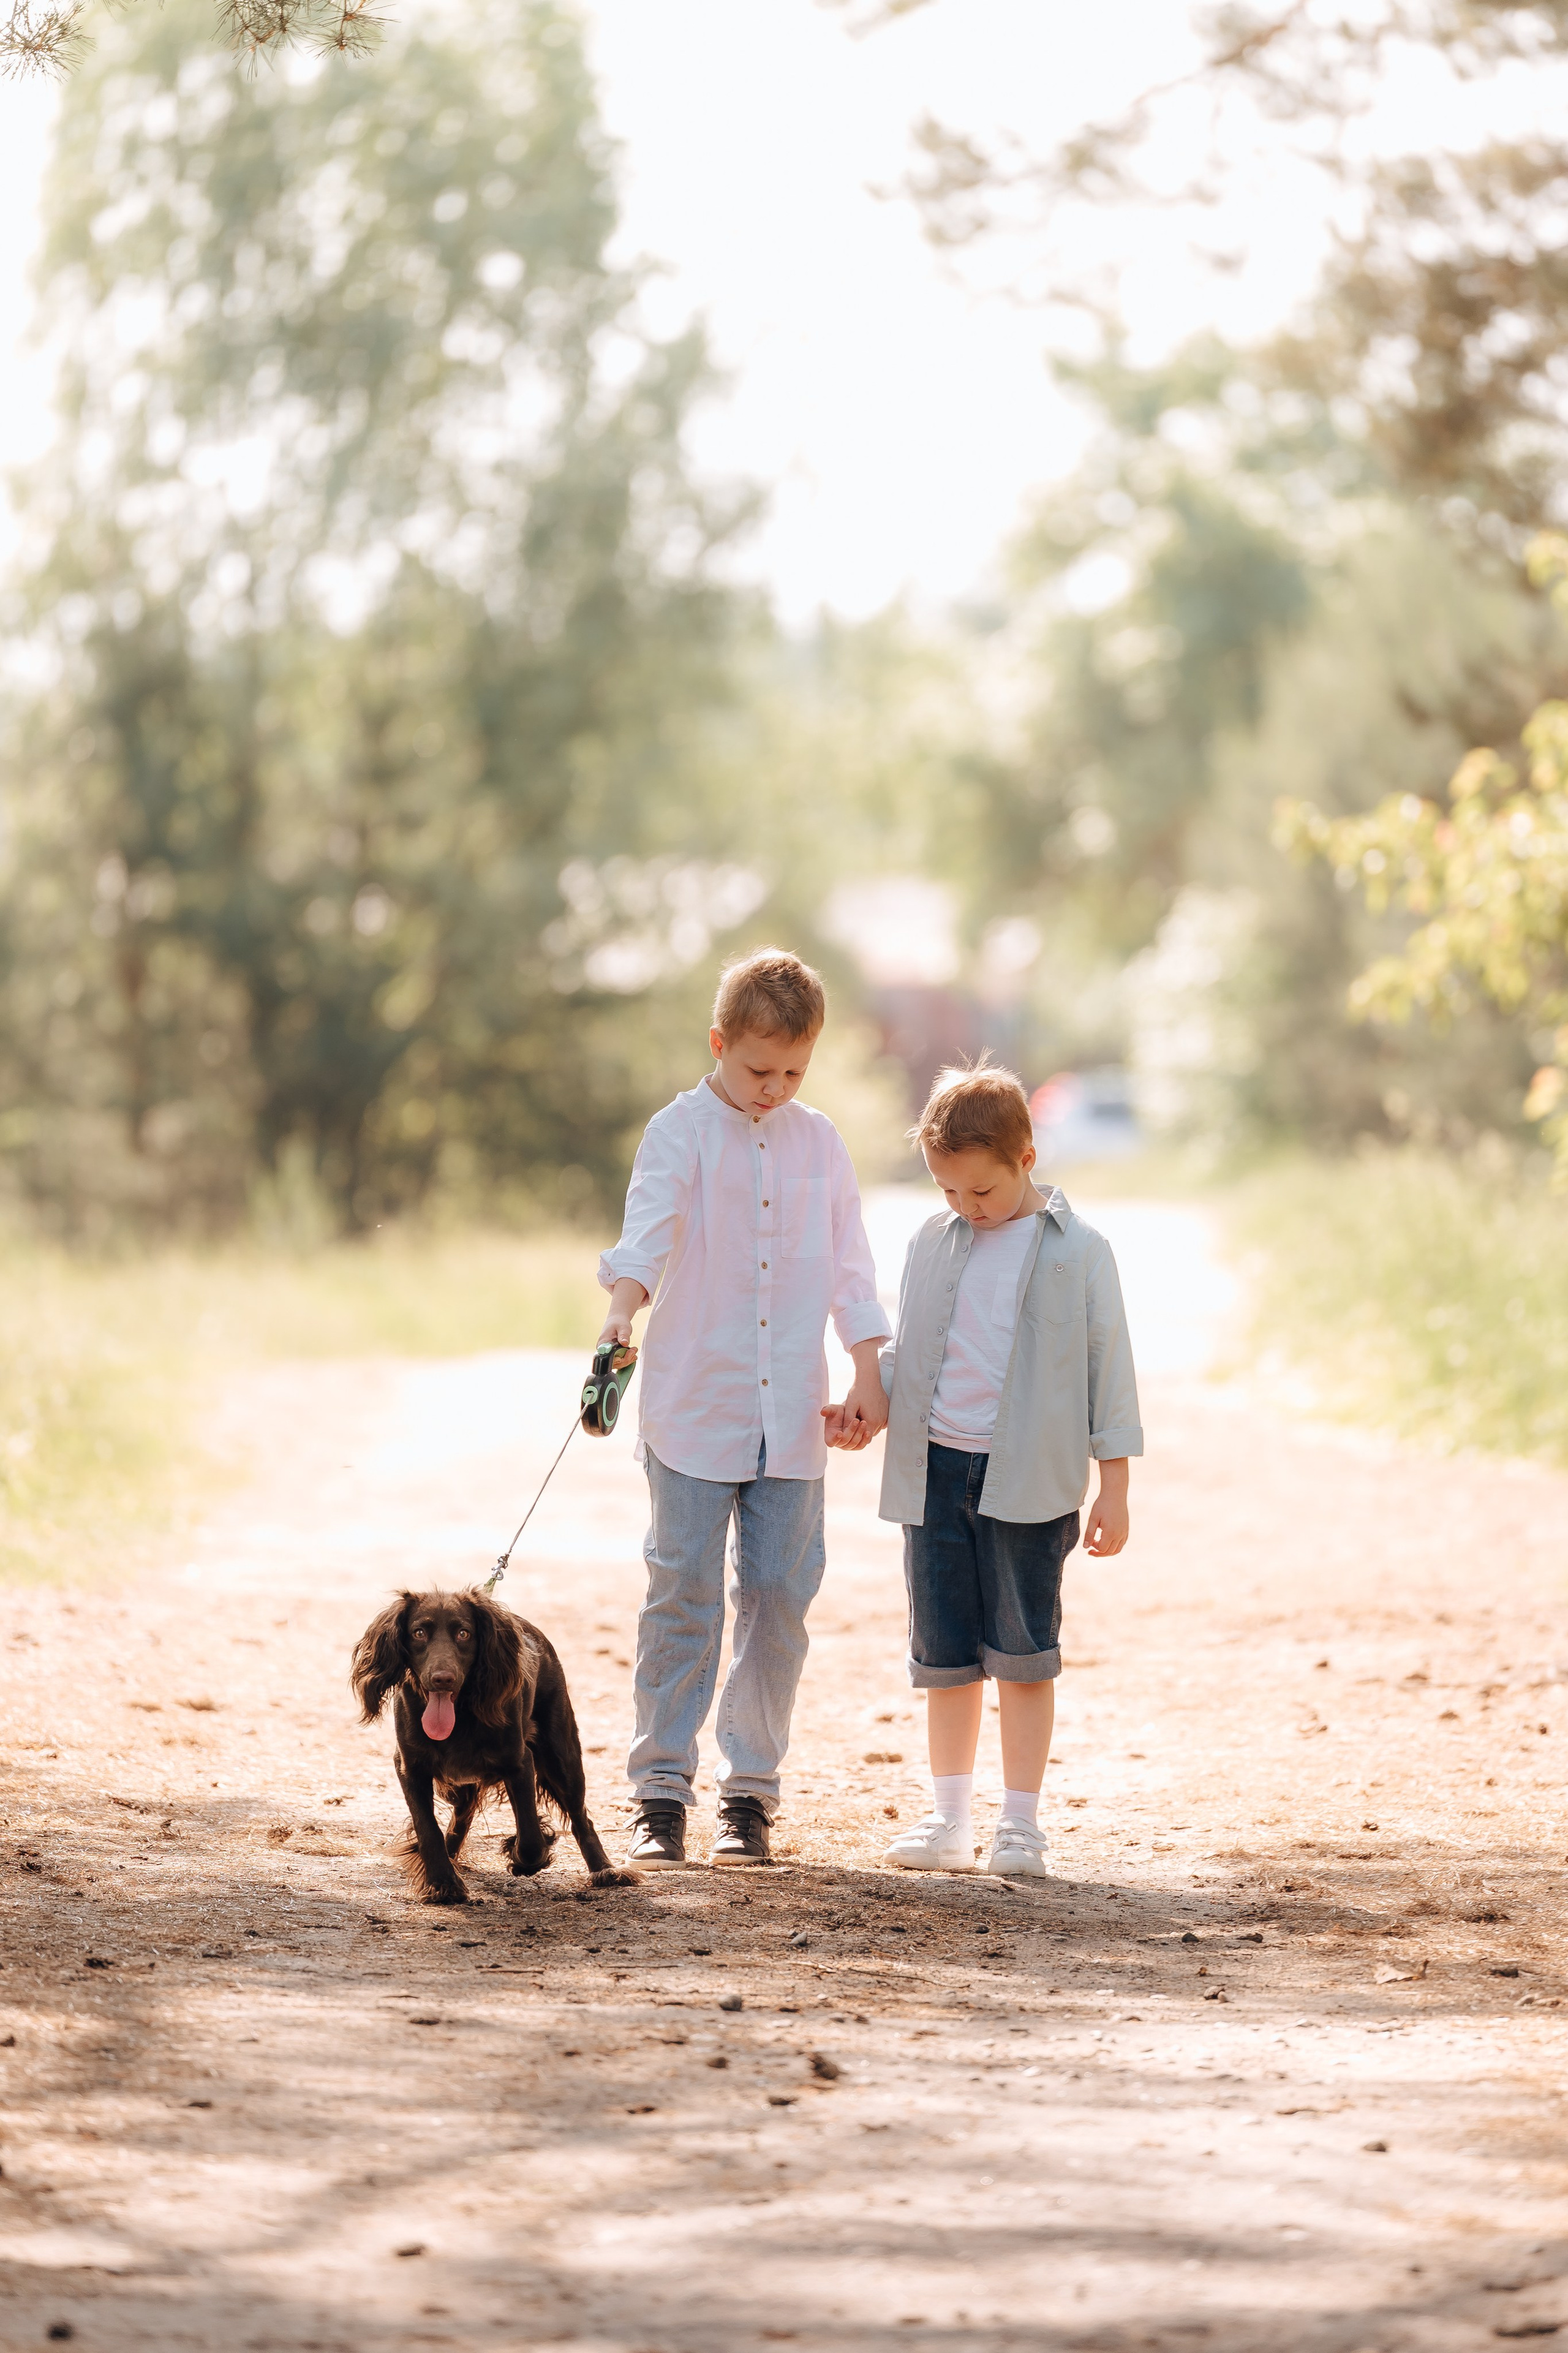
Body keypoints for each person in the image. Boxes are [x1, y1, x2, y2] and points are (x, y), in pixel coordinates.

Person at [598, 948, 891, 1870]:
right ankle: (659, 1791)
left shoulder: (821, 1143)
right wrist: (618, 1317)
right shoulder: (678, 1132)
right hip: (693, 1407)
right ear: (719, 1043)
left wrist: (867, 1370)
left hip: (793, 1419)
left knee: (778, 1597)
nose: (776, 1088)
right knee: (681, 1593)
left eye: (795, 1071)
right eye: (760, 1069)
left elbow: (851, 1265)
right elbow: (644, 1234)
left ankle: (750, 1795)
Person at [869, 1060, 1141, 1878]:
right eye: (949, 1191)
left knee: (1023, 1653)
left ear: (1027, 1157)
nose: (966, 1207)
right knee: (944, 1655)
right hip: (935, 1474)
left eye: (980, 1191)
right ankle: (949, 1816)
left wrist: (1115, 1485)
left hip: (1030, 1480)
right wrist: (865, 1402)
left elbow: (1109, 1369)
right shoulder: (932, 1241)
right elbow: (910, 1353)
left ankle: (1020, 1824)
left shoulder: (1080, 1252)